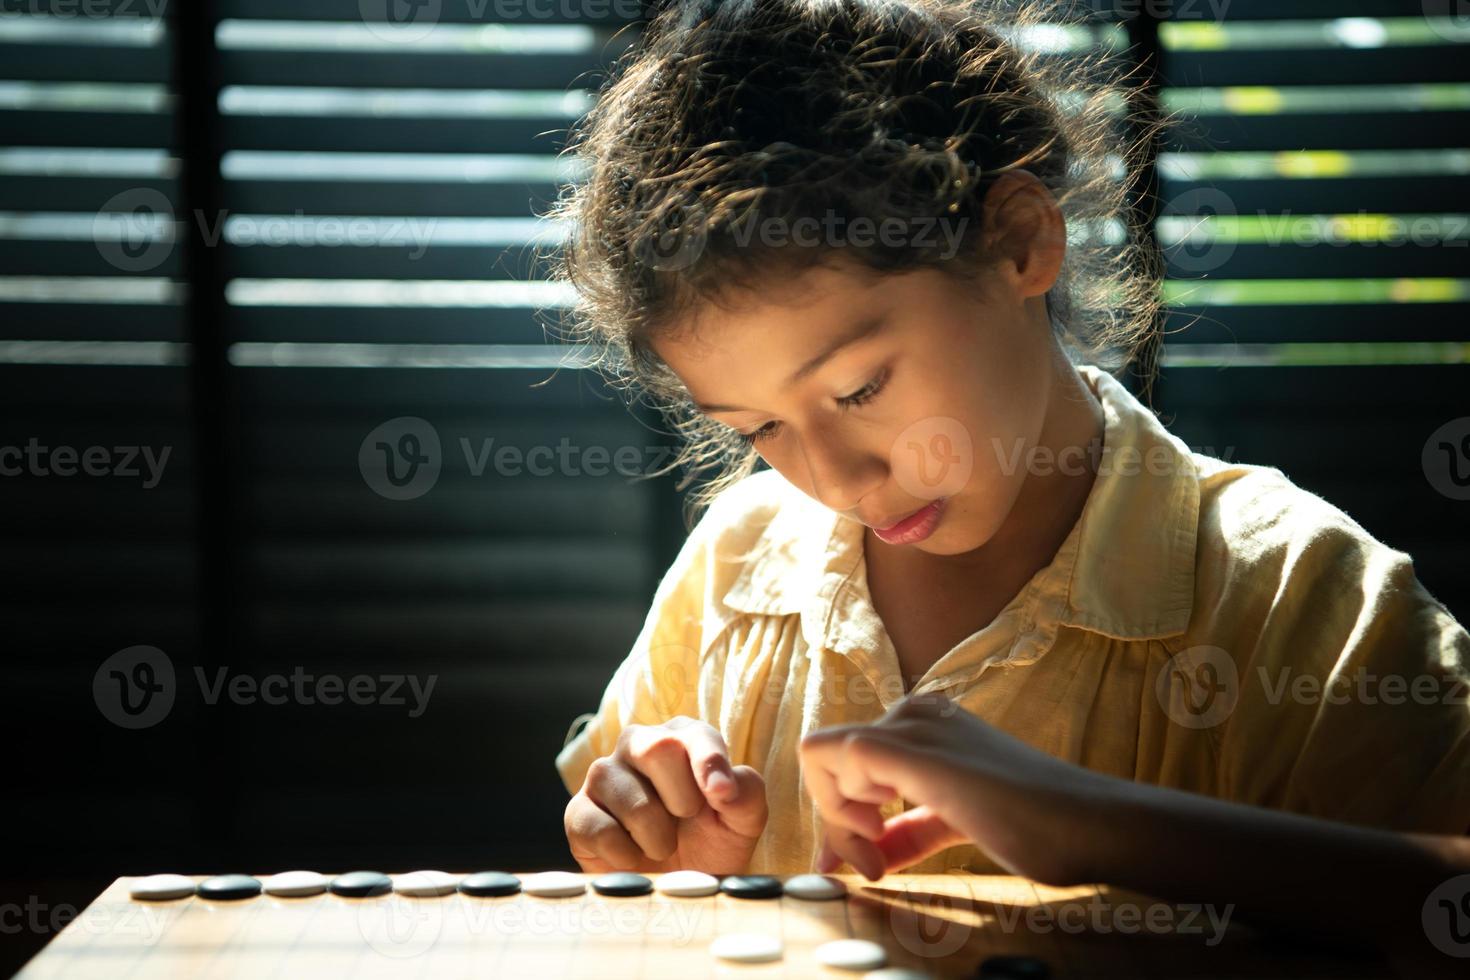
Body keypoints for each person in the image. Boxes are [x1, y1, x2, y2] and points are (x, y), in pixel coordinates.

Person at [546, 0, 1470, 952]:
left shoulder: (1295, 591)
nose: (834, 477)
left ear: (1019, 243)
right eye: (764, 426)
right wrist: (665, 859)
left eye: (859, 388)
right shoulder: (734, 566)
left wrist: (1097, 825)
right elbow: (626, 840)